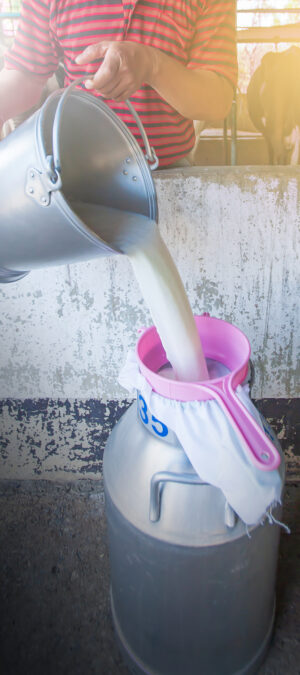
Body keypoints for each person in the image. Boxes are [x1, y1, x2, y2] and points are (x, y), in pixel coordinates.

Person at [0, 0, 237, 167]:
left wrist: (152, 65)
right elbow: (25, 74)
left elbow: (218, 98)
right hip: (77, 172)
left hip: (167, 172)